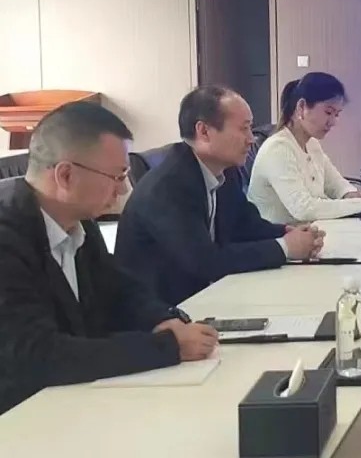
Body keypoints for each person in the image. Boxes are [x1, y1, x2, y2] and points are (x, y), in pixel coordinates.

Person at [0, 102, 218, 415]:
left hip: (70, 403)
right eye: (117, 176)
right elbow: (38, 356)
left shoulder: (78, 219)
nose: (124, 190)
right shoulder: (7, 236)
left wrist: (162, 320)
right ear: (66, 175)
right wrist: (169, 347)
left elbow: (118, 290)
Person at [115, 86, 323, 306]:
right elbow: (205, 261)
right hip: (164, 310)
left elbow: (246, 225)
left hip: (209, 294)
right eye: (243, 129)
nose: (251, 139)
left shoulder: (224, 170)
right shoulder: (167, 186)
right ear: (204, 131)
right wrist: (285, 247)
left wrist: (289, 233)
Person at [248, 72, 361, 224]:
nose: (333, 122)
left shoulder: (312, 144)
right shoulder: (278, 148)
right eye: (328, 112)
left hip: (312, 231)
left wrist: (351, 194)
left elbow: (335, 184)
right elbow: (303, 209)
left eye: (336, 114)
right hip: (281, 236)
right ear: (301, 107)